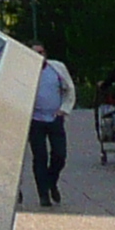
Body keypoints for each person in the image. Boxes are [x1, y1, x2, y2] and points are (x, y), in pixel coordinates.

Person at [26, 47, 76, 205]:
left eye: (41, 52)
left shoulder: (57, 68)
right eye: (35, 52)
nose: (39, 56)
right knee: (40, 157)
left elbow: (70, 89)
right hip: (35, 120)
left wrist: (64, 109)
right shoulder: (25, 71)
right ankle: (43, 194)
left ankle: (51, 181)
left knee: (60, 155)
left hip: (55, 118)